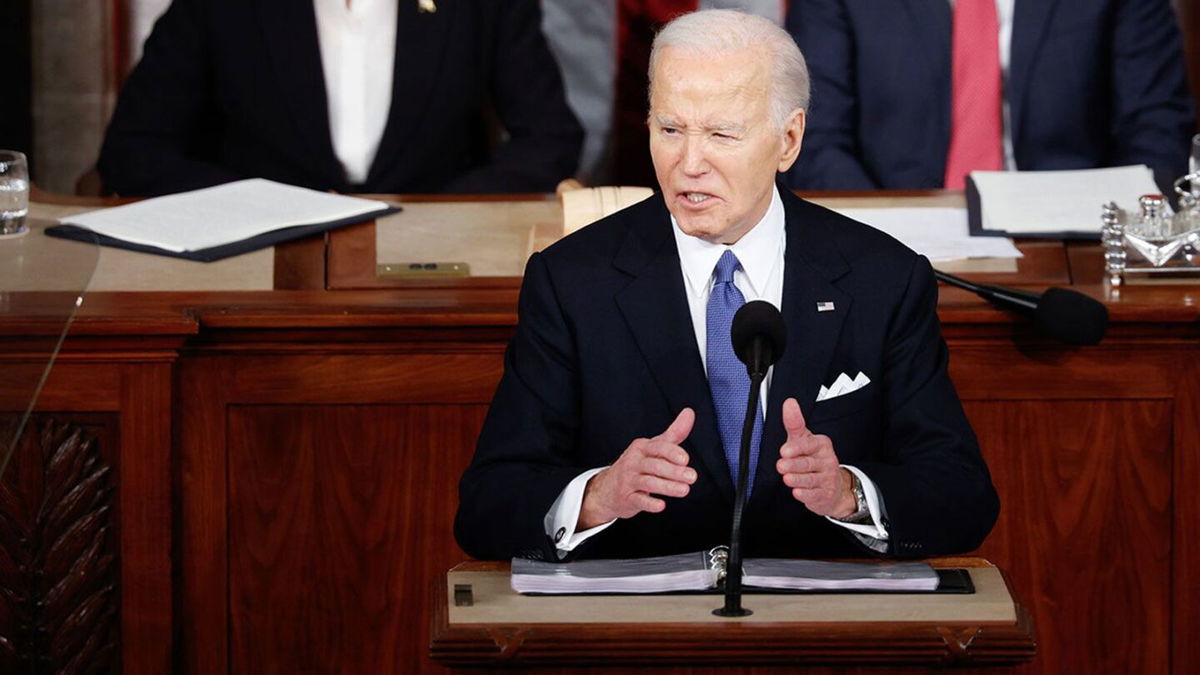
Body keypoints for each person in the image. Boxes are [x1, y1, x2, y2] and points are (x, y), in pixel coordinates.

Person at [455, 9, 998, 562]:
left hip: (820, 625)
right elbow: (487, 506)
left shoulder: (883, 278)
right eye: (670, 130)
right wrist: (598, 496)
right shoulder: (572, 281)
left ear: (788, 140)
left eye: (721, 134)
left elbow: (962, 495)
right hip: (639, 628)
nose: (689, 163)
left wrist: (849, 494)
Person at [96, 0, 583, 197]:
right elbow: (133, 151)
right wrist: (264, 207)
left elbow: (549, 139)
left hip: (432, 276)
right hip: (253, 279)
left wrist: (436, 213)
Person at [784, 0, 1194, 192]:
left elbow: (1157, 123)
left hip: (1072, 236)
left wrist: (1108, 222)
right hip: (896, 226)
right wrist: (881, 236)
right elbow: (815, 134)